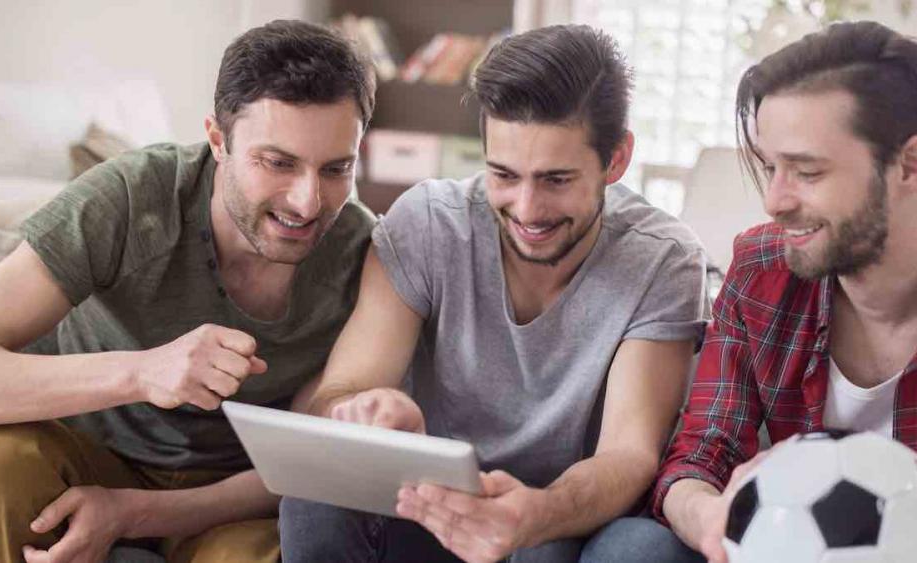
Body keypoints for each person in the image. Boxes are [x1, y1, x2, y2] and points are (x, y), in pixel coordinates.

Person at [278, 24, 709, 563]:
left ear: (616, 159)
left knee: (620, 551)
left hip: (568, 517)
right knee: (313, 500)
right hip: (433, 508)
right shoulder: (429, 223)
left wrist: (537, 515)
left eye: (556, 180)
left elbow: (628, 453)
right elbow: (342, 389)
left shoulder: (662, 259)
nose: (526, 210)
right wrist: (369, 411)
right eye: (503, 175)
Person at [0, 20, 376, 563]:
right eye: (277, 163)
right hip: (84, 453)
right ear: (218, 140)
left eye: (336, 168)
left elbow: (312, 458)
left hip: (223, 498)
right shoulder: (130, 197)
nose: (308, 202)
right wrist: (142, 372)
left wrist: (136, 511)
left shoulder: (364, 255)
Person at [585, 20, 917, 563]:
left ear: (910, 166)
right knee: (634, 548)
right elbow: (699, 456)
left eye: (806, 172)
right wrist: (711, 518)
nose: (774, 201)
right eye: (771, 167)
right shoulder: (761, 269)